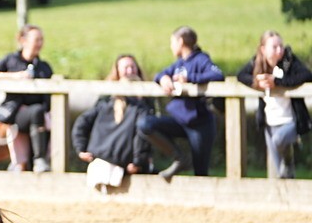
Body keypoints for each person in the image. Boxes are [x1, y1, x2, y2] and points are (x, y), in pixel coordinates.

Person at [140, 26, 224, 179]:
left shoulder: (201, 59)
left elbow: (217, 75)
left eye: (172, 42)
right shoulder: (179, 63)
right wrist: (163, 78)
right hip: (179, 121)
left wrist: (190, 78)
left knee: (200, 173)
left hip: (200, 124)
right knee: (146, 124)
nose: (171, 46)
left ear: (180, 41)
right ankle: (179, 158)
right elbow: (161, 74)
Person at [235, 31, 311, 178]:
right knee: (280, 172)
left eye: (281, 46)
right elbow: (241, 75)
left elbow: (306, 75)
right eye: (275, 47)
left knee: (279, 141)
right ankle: (288, 187)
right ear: (263, 49)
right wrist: (257, 82)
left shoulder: (289, 61)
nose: (279, 50)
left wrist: (277, 82)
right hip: (269, 121)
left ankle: (289, 159)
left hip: (290, 120)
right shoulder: (257, 62)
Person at [0, 24, 54, 172]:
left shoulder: (44, 67)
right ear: (23, 40)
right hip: (15, 113)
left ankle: (37, 161)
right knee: (37, 111)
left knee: (42, 114)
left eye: (41, 40)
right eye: (36, 39)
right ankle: (39, 159)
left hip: (40, 116)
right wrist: (13, 76)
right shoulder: (11, 60)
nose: (40, 43)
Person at [72, 55, 154, 176]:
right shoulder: (106, 100)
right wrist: (81, 148)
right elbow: (84, 121)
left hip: (125, 163)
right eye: (126, 67)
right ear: (117, 71)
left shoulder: (146, 100)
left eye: (132, 67)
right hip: (112, 160)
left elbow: (143, 134)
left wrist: (140, 161)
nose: (130, 71)